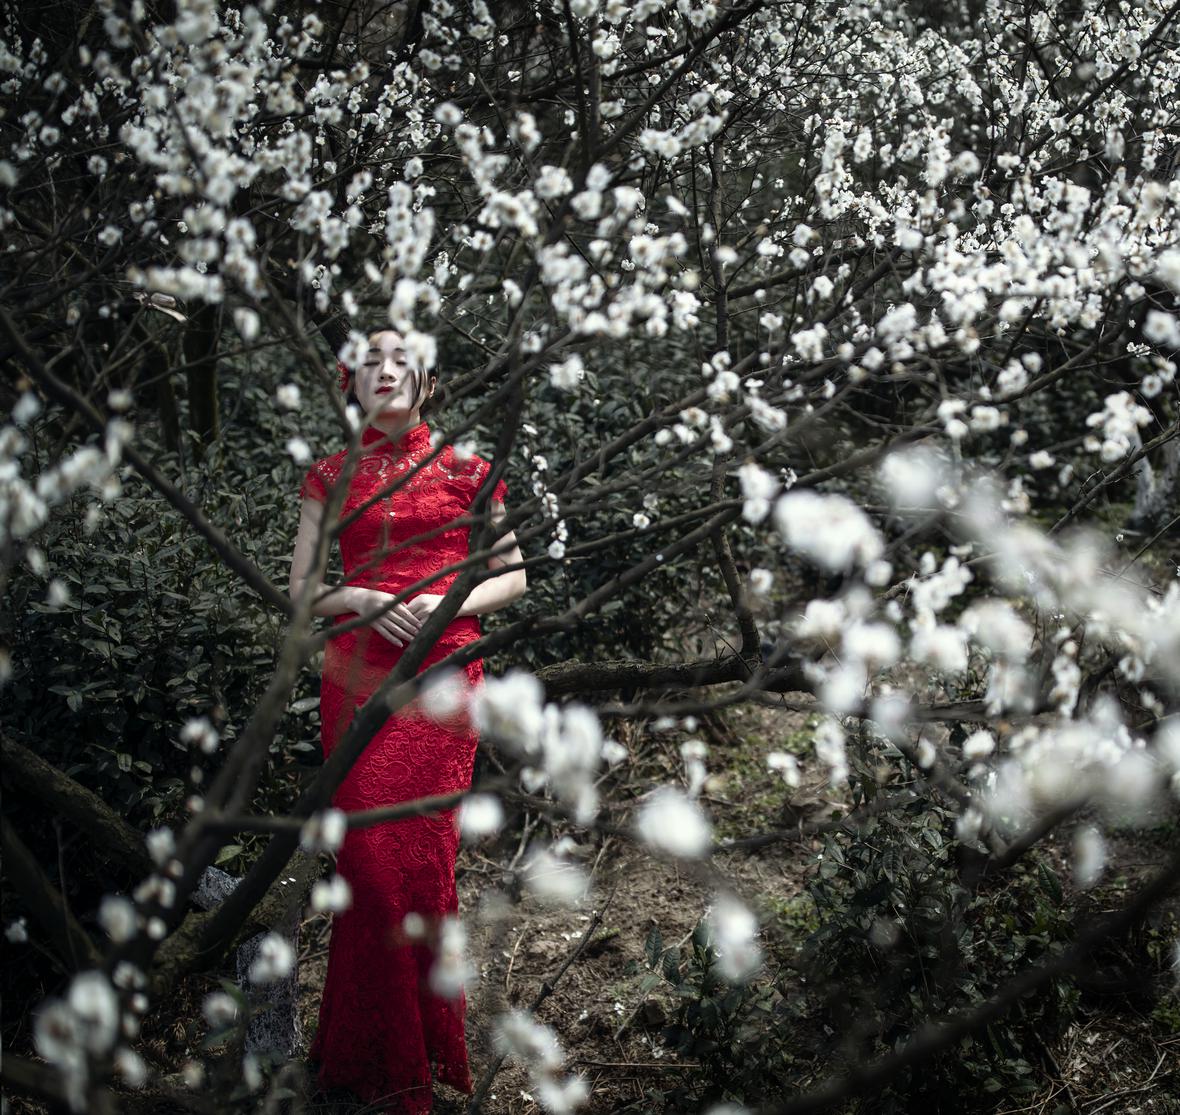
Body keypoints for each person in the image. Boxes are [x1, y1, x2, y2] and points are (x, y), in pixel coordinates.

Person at [289, 330, 526, 1113]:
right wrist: (358, 597)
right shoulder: (330, 475)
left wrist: (442, 601)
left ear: (427, 377)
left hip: (444, 675)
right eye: (370, 360)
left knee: (415, 866)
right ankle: (367, 1059)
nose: (386, 371)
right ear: (349, 379)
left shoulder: (466, 466)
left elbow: (514, 575)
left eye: (402, 359)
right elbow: (301, 591)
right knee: (365, 860)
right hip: (355, 675)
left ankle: (401, 1069)